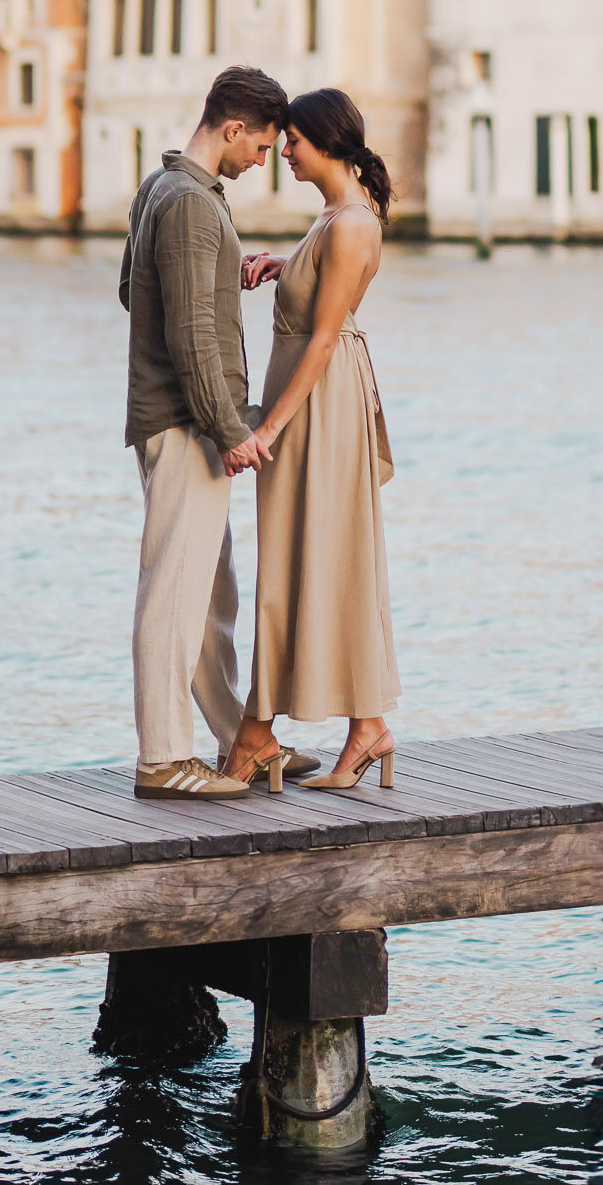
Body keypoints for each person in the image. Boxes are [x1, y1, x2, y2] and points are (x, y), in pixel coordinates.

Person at [120, 66, 318, 799]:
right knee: (174, 591)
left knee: (209, 595)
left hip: (180, 421)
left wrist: (213, 274)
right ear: (233, 130)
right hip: (188, 425)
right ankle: (163, 759)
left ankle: (237, 738)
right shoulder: (193, 206)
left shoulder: (162, 189)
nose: (263, 161)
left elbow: (130, 291)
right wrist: (230, 429)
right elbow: (191, 336)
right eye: (262, 148)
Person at [223, 88, 400, 794]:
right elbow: (319, 301)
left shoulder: (351, 222)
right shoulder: (333, 217)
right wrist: (284, 267)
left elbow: (325, 338)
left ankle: (298, 728)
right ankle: (351, 728)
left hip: (318, 407)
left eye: (291, 140)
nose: (283, 152)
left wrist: (268, 425)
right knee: (306, 557)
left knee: (323, 557)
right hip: (315, 402)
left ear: (323, 140)